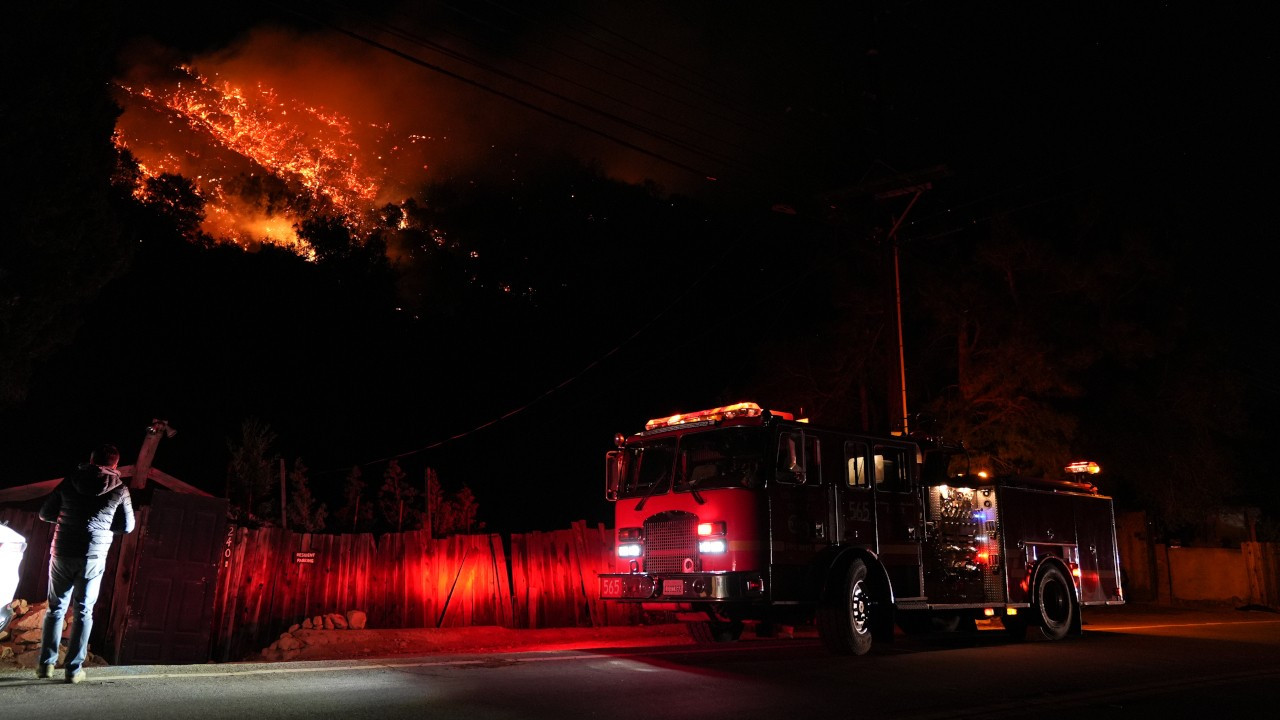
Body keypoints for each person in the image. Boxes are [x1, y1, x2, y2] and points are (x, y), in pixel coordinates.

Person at [37, 443, 135, 683]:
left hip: (63, 551)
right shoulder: (120, 489)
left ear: (91, 461)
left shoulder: (70, 480)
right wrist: (103, 526)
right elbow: (127, 526)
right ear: (115, 465)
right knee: (83, 610)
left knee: (55, 609)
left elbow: (44, 513)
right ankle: (73, 670)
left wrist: (66, 519)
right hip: (93, 555)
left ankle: (45, 666)